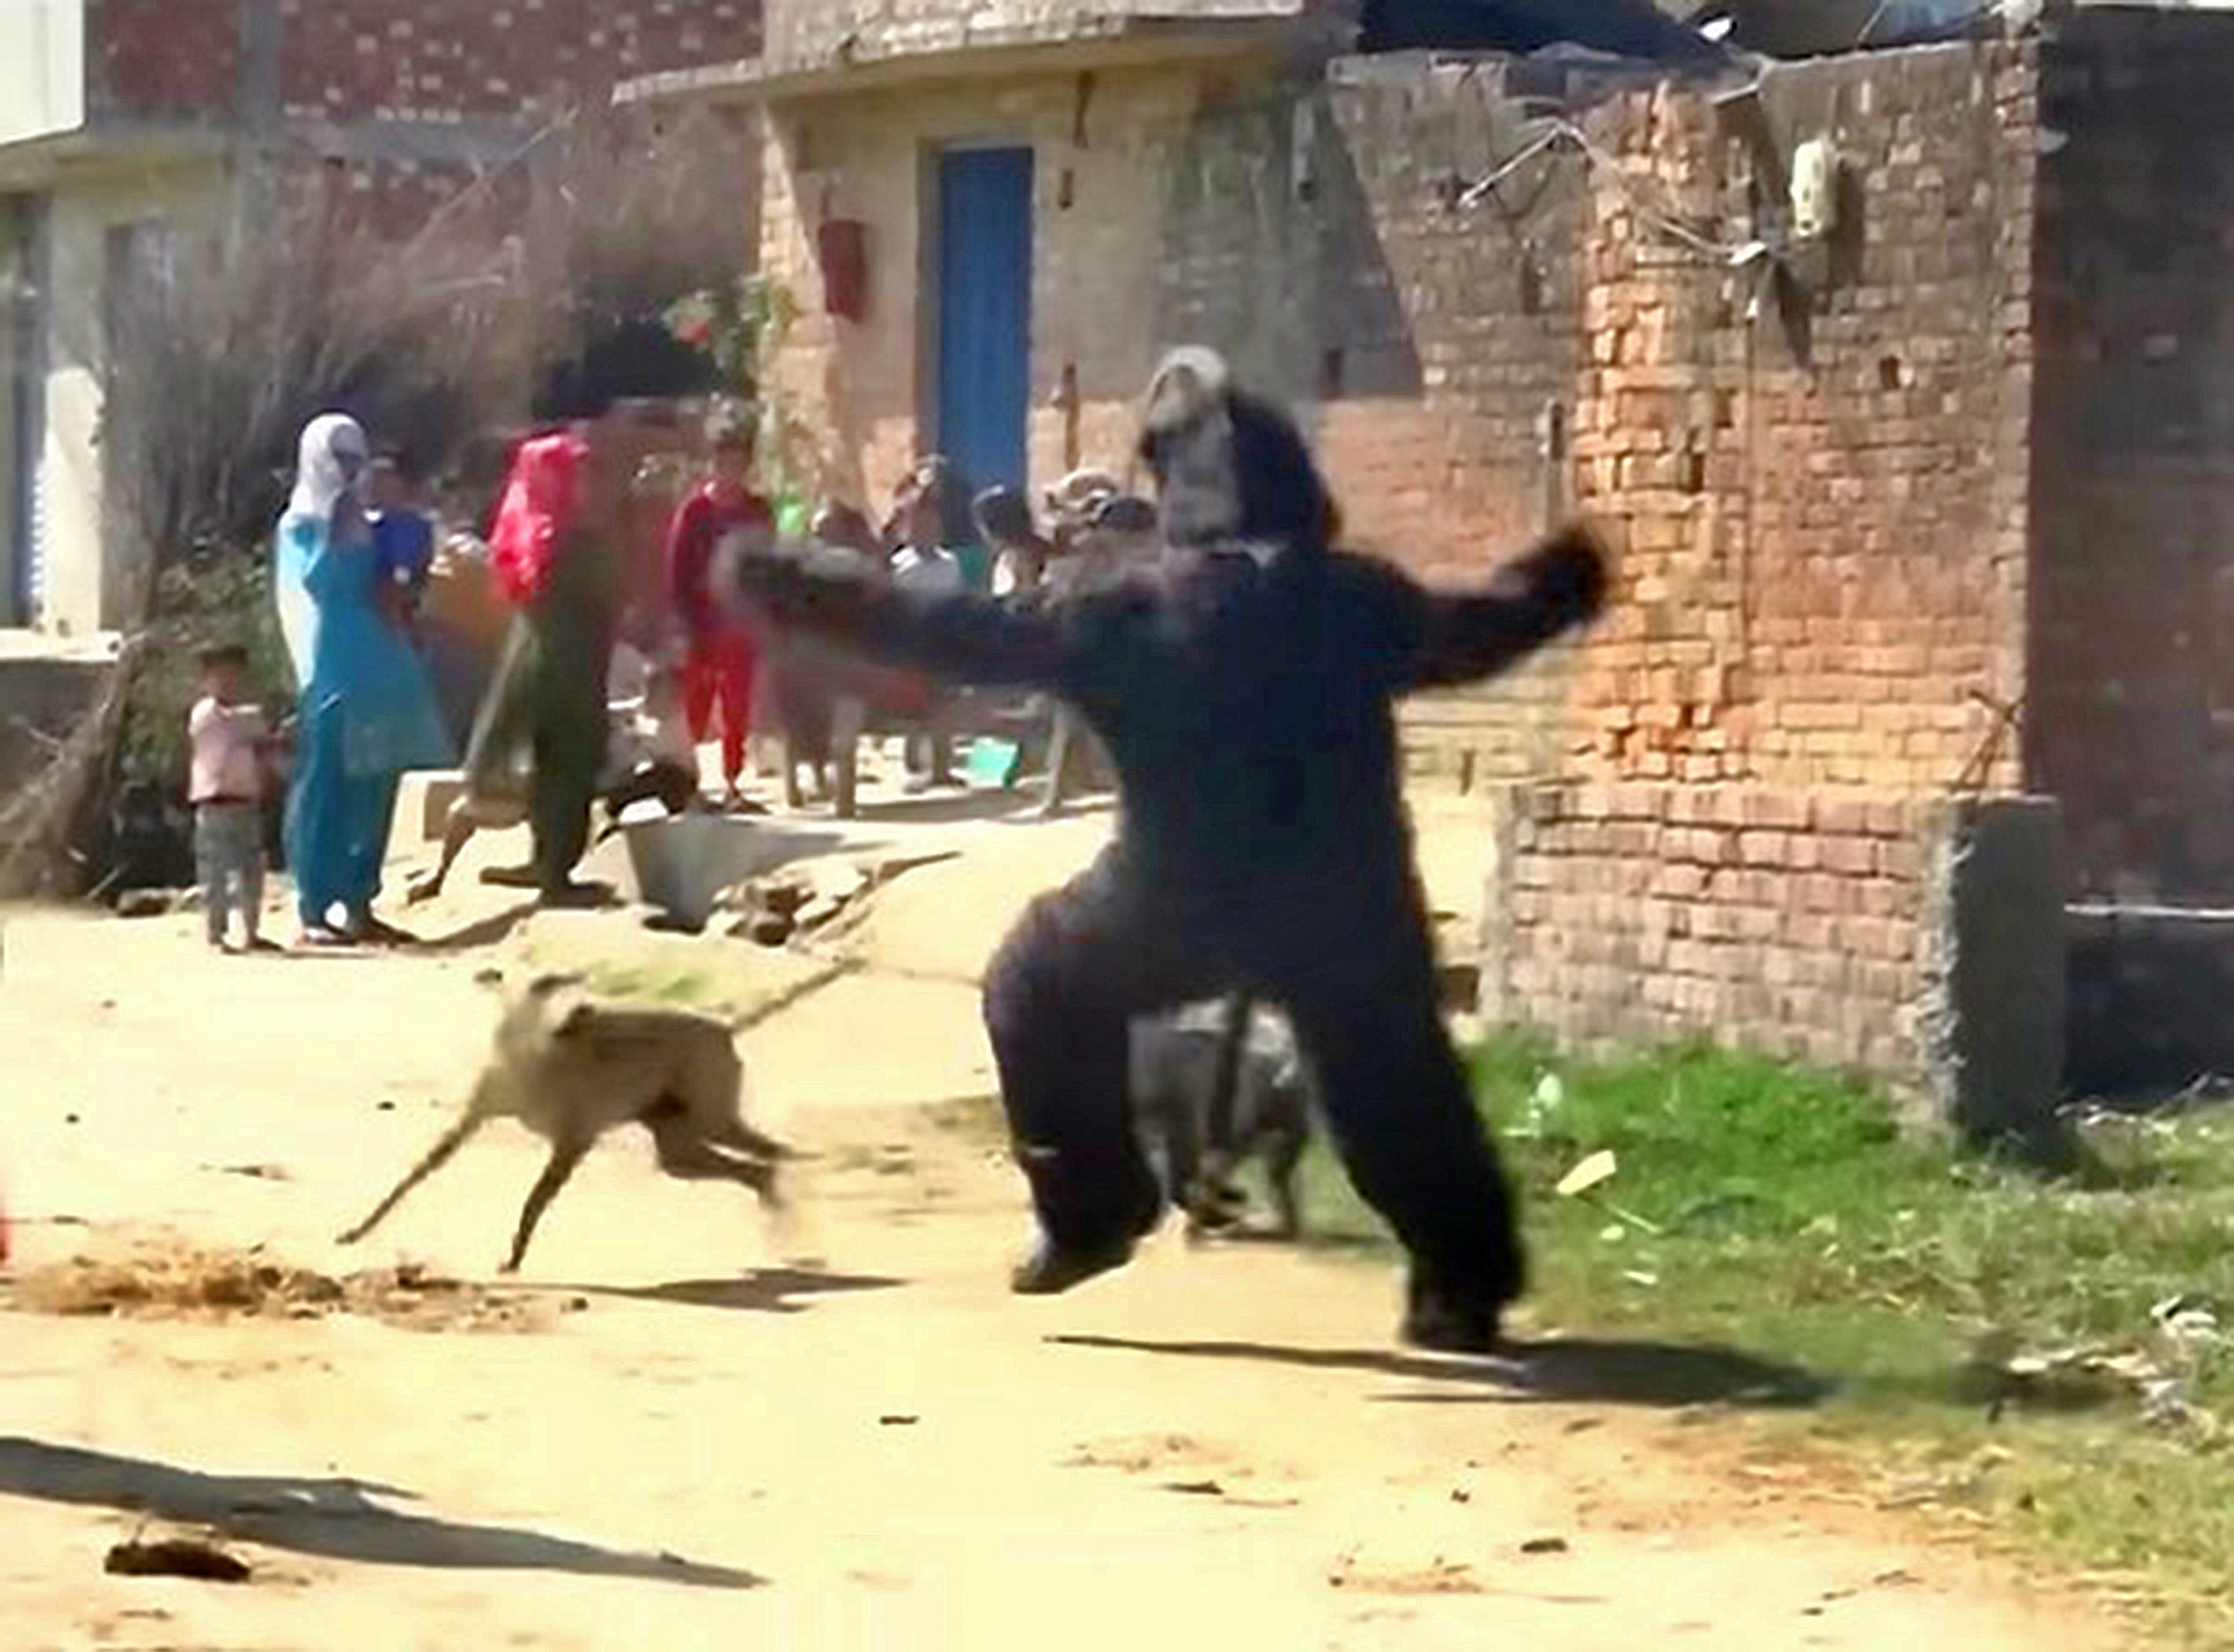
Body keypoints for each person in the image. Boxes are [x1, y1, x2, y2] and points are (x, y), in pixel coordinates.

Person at [730, 348, 1608, 1354]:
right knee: (1394, 1082)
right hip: (1347, 903)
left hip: (1173, 900)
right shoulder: (1358, 600)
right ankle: (1461, 1279)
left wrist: (794, 585)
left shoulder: (1123, 610)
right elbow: (1480, 633)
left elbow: (949, 627)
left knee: (1033, 981)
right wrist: (1561, 580)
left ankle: (1093, 1208)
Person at [272, 413, 453, 947]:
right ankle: (313, 905)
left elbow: (401, 582)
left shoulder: (379, 524)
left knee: (376, 783)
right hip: (333, 665)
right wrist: (337, 532)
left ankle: (359, 900)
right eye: (339, 459)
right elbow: (311, 586)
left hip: (384, 662)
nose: (348, 470)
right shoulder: (301, 525)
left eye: (356, 459)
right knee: (326, 784)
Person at [462, 380, 628, 906]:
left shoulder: (531, 533)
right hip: (566, 671)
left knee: (550, 761)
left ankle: (545, 863)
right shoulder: (565, 540)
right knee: (568, 763)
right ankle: (555, 874)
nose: (589, 481)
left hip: (545, 664)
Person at [665, 402, 774, 813]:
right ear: (712, 464)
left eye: (739, 463)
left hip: (743, 625)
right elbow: (676, 571)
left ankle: (733, 784)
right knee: (695, 706)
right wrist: (683, 625)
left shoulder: (758, 511)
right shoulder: (695, 512)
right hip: (702, 624)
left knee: (737, 709)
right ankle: (690, 787)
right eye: (723, 462)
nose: (731, 471)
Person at [187, 643, 278, 953]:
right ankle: (217, 934)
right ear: (205, 681)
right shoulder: (206, 714)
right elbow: (240, 731)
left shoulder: (246, 717)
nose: (228, 681)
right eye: (219, 675)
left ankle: (252, 932)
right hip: (215, 805)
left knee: (251, 872)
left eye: (234, 675)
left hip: (245, 802)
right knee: (216, 874)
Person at [884, 460, 968, 791]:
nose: (928, 532)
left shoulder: (951, 564)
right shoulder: (900, 566)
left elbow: (958, 600)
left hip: (942, 643)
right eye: (919, 525)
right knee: (916, 709)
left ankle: (942, 768)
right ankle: (914, 761)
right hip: (911, 646)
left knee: (945, 708)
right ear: (906, 529)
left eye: (933, 525)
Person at [366, 448, 436, 640]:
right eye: (375, 477)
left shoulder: (412, 526)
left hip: (397, 620)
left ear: (402, 483)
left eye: (384, 478)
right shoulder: (366, 524)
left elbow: (408, 577)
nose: (376, 484)